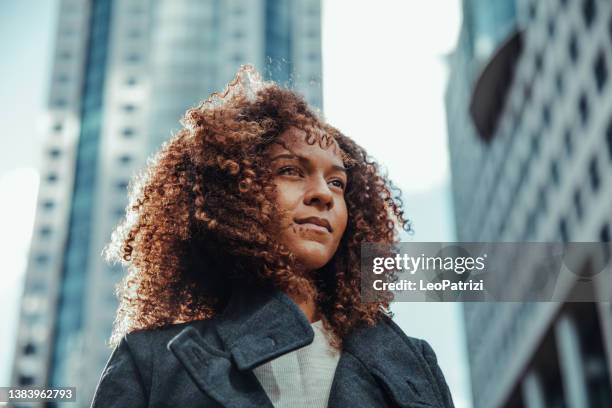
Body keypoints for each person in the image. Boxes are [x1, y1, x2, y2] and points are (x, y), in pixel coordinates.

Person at [90, 65, 455, 407]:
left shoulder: (412, 361)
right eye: (291, 170)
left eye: (337, 182)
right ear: (234, 191)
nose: (323, 195)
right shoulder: (151, 361)